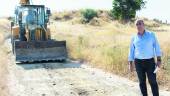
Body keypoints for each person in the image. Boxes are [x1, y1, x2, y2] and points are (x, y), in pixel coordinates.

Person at [128, 19, 162, 96]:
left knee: (152, 81)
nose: (138, 25)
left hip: (150, 62)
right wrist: (130, 63)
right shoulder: (134, 37)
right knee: (141, 82)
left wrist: (159, 60)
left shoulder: (151, 35)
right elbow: (131, 51)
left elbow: (157, 47)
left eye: (140, 23)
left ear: (144, 25)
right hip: (138, 62)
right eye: (137, 24)